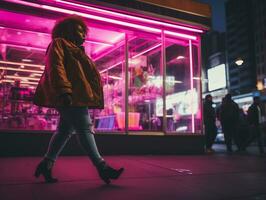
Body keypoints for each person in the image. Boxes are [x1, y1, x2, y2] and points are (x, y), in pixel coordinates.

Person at [33, 16, 124, 184]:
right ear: (69, 30)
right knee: (84, 128)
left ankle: (46, 163)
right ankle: (102, 167)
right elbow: (56, 67)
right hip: (71, 96)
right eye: (80, 31)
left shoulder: (75, 50)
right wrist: (64, 91)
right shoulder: (59, 44)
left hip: (73, 95)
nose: (84, 35)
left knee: (64, 131)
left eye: (84, 32)